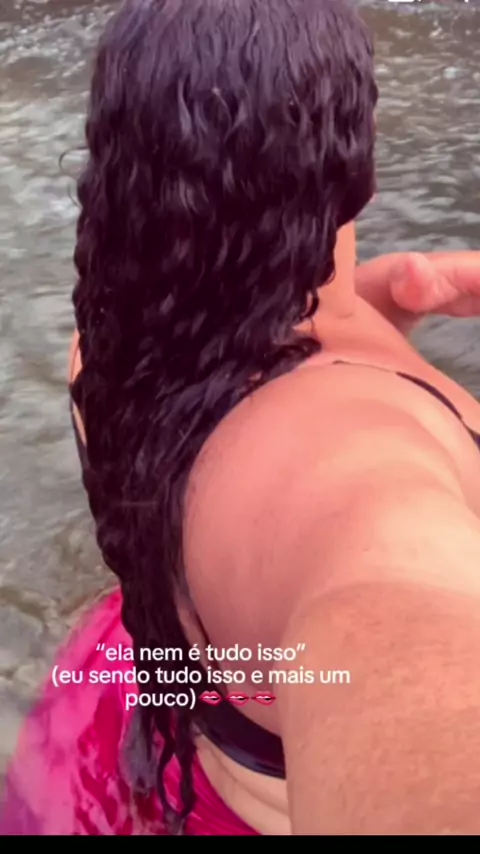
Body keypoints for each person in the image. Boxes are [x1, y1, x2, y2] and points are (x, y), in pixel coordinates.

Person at [3, 0, 480, 836]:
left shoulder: (116, 348)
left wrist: (383, 306)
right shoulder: (370, 489)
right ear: (357, 151)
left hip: (133, 714)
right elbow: (400, 616)